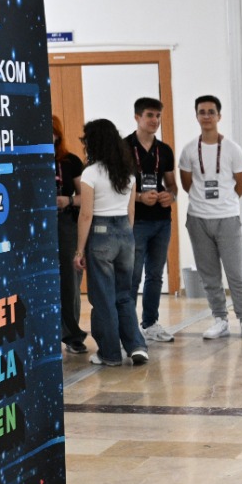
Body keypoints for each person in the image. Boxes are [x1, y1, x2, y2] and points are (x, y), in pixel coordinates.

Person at [178, 95, 242, 341]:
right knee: (209, 274)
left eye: (211, 112)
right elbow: (186, 183)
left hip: (227, 217)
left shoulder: (232, 149)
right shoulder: (189, 150)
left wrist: (226, 200)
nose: (206, 116)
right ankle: (220, 319)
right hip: (198, 218)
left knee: (236, 273)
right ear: (196, 116)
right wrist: (204, 202)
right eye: (202, 112)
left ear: (219, 116)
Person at [74, 119, 148, 368]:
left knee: (103, 298)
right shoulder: (127, 171)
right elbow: (131, 211)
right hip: (126, 234)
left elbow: (86, 214)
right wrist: (126, 236)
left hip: (100, 233)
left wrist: (79, 250)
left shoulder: (91, 172)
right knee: (124, 295)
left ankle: (110, 354)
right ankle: (137, 346)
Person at [126, 96, 178, 344]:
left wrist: (171, 196)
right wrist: (138, 197)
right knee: (133, 275)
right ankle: (128, 326)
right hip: (136, 221)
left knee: (155, 275)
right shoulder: (124, 147)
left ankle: (150, 323)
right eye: (149, 115)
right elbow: (116, 187)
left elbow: (172, 185)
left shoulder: (164, 150)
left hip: (161, 220)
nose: (155, 120)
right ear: (137, 117)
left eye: (158, 116)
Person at [53, 118, 88, 355]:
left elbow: (85, 197)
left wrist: (67, 200)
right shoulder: (28, 159)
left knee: (69, 280)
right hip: (35, 226)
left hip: (65, 222)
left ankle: (72, 335)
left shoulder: (70, 161)